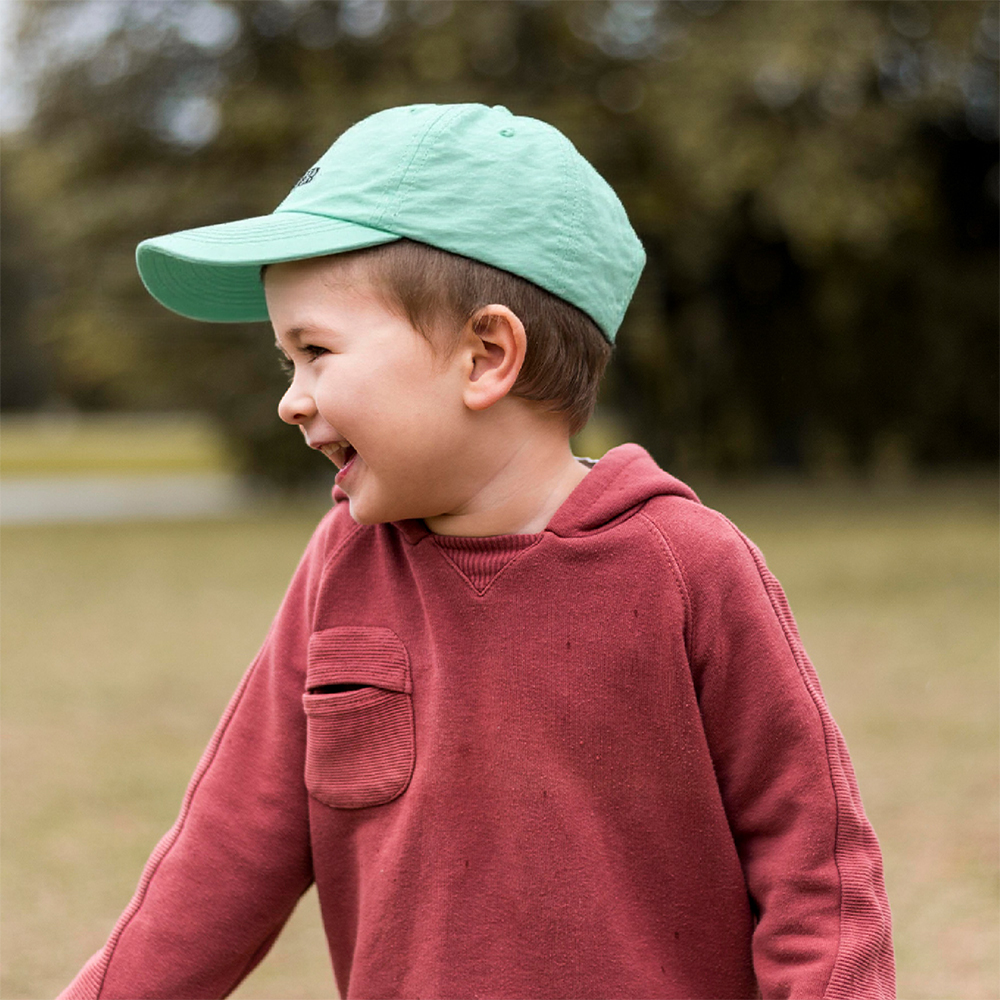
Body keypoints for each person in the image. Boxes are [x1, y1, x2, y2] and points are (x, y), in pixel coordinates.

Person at [59, 103, 894, 1000]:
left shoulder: (686, 566)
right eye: (285, 362)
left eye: (315, 352)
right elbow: (221, 855)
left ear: (486, 355)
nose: (291, 401)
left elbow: (819, 871)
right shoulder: (343, 566)